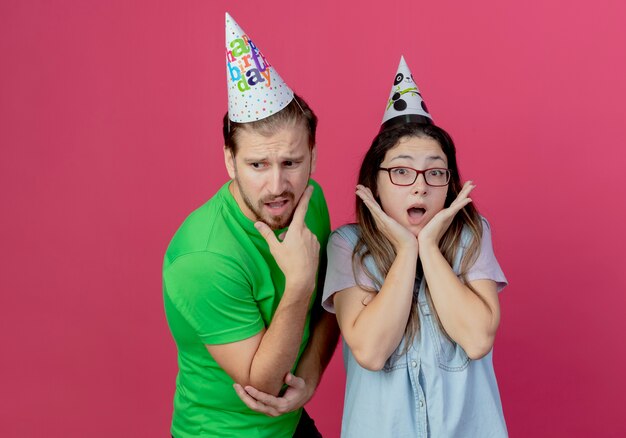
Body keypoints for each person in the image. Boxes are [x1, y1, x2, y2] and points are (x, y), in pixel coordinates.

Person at [163, 14, 337, 438]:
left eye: (291, 163)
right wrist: (298, 284)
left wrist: (310, 378)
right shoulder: (203, 258)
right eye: (257, 164)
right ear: (229, 159)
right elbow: (263, 385)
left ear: (312, 156)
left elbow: (335, 305)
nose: (277, 187)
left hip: (292, 425)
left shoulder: (310, 201)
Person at [321, 57, 509, 437]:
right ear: (375, 182)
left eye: (435, 171)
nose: (420, 185)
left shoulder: (472, 234)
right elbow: (371, 352)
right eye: (402, 171)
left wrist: (429, 248)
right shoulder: (346, 245)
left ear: (449, 183)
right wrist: (406, 251)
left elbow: (476, 339)